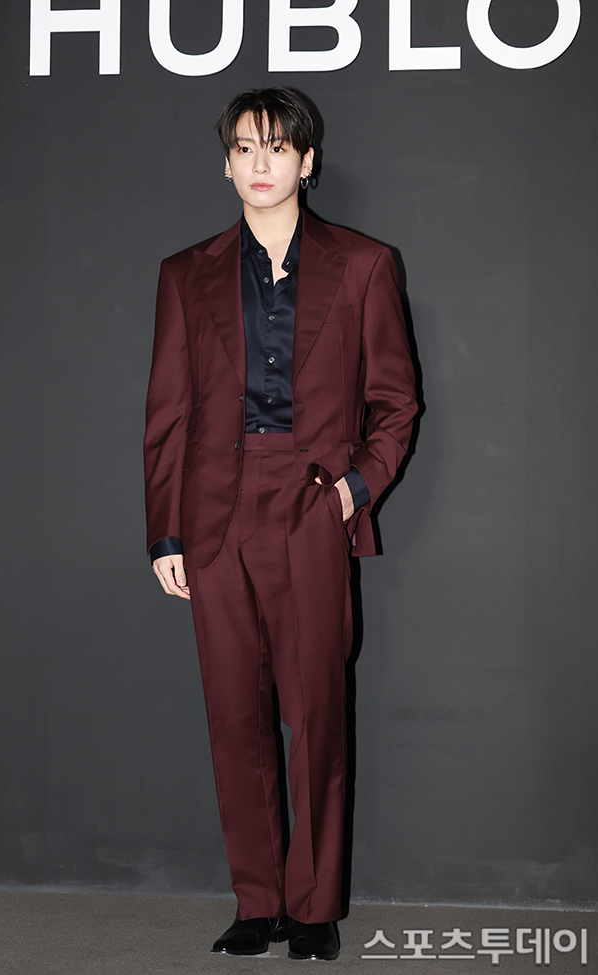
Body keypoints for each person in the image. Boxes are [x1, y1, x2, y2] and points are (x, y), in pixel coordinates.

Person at [144, 87, 417, 961]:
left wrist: (353, 489)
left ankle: (314, 905)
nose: (260, 163)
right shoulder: (184, 274)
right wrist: (165, 531)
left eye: (276, 147)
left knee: (317, 711)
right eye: (244, 148)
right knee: (236, 715)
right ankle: (257, 901)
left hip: (310, 502)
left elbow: (396, 402)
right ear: (225, 163)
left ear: (307, 160)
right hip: (214, 512)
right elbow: (168, 414)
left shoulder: (365, 265)